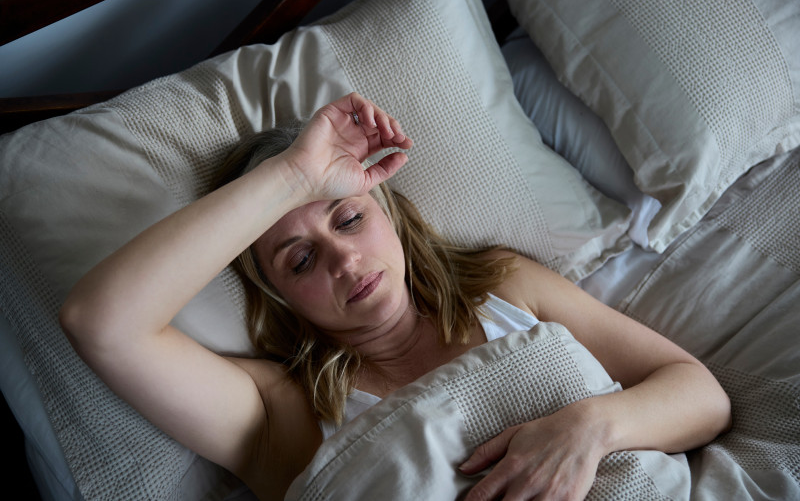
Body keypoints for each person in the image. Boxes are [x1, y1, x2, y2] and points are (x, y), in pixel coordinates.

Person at [60, 93, 731, 500]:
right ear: (280, 297)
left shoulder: (502, 284)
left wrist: (588, 427)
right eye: (300, 259)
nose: (345, 259)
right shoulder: (279, 412)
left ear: (391, 213)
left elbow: (700, 395)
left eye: (350, 218)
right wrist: (293, 177)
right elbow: (100, 323)